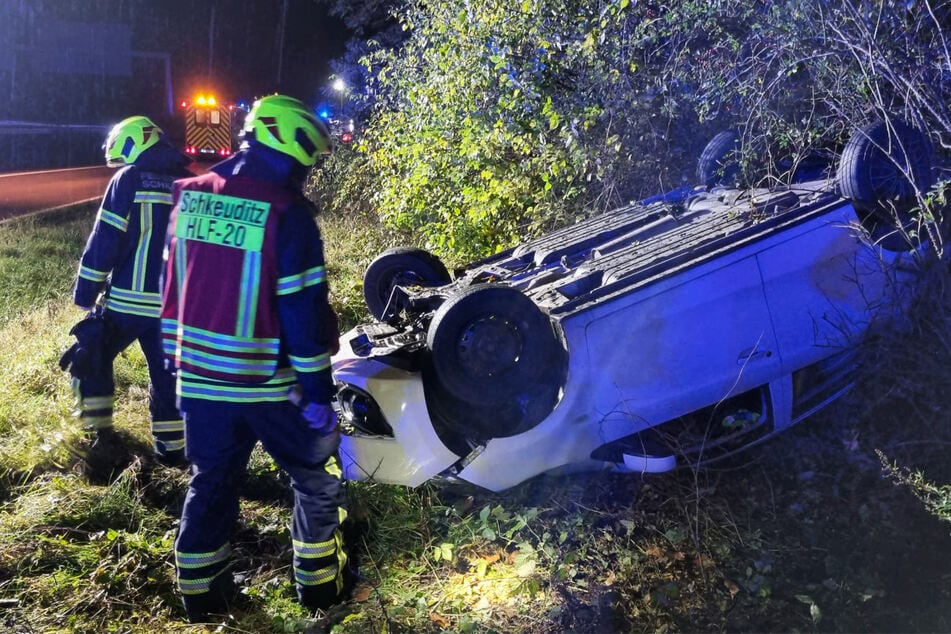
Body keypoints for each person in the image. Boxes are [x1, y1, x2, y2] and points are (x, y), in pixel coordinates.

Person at [159, 94, 350, 622]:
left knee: (212, 479)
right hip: (267, 385)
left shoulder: (191, 195)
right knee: (314, 473)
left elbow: (170, 284)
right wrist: (318, 395)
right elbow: (302, 317)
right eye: (303, 164)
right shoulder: (288, 216)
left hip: (198, 379)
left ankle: (201, 595)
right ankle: (318, 588)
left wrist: (176, 362)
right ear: (292, 153)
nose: (304, 176)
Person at [69, 115, 192, 473]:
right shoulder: (189, 181)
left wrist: (86, 291)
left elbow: (106, 238)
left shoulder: (128, 178)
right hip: (172, 305)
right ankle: (172, 451)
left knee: (90, 354)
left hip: (128, 301)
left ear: (134, 142)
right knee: (168, 375)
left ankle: (98, 437)